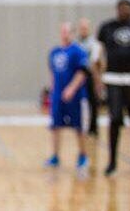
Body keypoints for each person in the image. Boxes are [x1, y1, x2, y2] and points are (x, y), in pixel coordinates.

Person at [44, 22, 89, 174]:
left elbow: (82, 72)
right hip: (58, 95)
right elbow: (52, 72)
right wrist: (52, 90)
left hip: (75, 96)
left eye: (68, 31)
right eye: (63, 31)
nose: (65, 34)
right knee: (55, 126)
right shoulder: (54, 52)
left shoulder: (78, 51)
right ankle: (55, 156)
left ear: (72, 33)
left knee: (78, 127)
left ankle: (83, 156)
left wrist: (71, 88)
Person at [96, 0, 130, 176]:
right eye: (121, 8)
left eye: (127, 8)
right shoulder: (107, 28)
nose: (124, 11)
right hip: (113, 80)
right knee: (115, 119)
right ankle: (112, 162)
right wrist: (98, 80)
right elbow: (99, 56)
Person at [76, 17, 102, 136]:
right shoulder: (76, 43)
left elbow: (95, 62)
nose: (83, 30)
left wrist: (98, 81)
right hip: (78, 75)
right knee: (79, 102)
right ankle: (79, 125)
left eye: (85, 28)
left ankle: (93, 127)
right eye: (82, 28)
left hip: (90, 74)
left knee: (93, 102)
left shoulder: (94, 43)